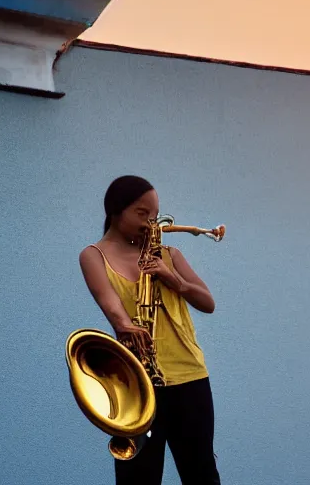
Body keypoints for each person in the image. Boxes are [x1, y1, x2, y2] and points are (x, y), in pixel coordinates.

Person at [79, 175, 221, 485]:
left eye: (154, 216)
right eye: (141, 213)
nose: (149, 223)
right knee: (137, 478)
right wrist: (124, 325)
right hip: (136, 381)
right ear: (116, 211)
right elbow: (110, 303)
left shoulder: (170, 255)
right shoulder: (93, 256)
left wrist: (174, 279)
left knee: (201, 473)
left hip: (190, 376)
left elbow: (208, 303)